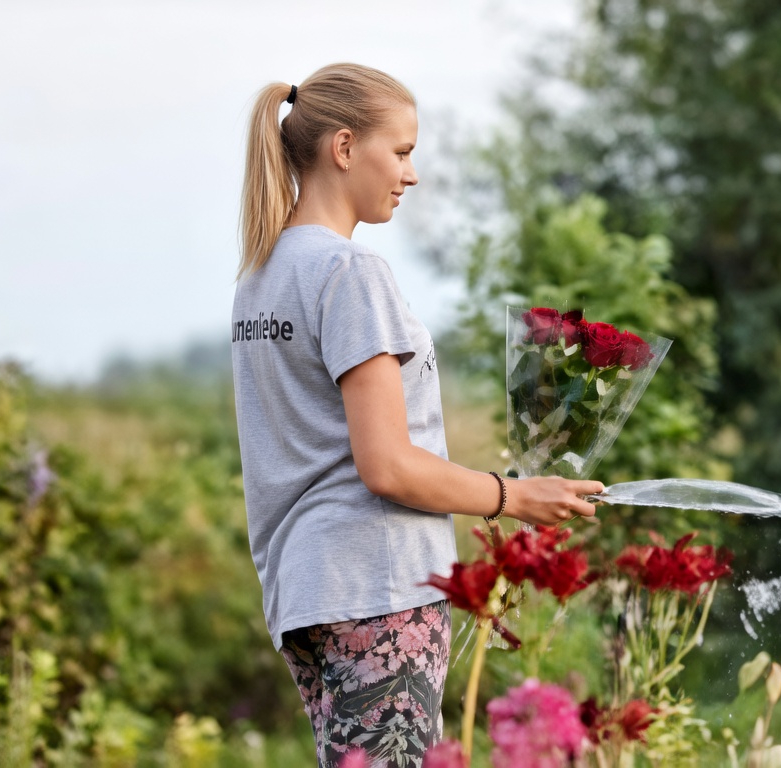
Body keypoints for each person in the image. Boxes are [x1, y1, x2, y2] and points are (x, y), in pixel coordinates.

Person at [231, 62, 603, 768]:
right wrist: (514, 496)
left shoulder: (261, 277)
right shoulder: (349, 274)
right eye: (400, 151)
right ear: (344, 148)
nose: (411, 174)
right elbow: (388, 466)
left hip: (305, 592)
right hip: (377, 586)